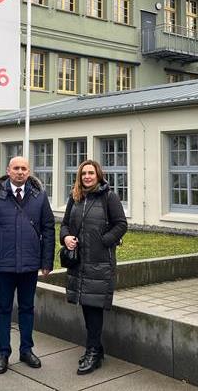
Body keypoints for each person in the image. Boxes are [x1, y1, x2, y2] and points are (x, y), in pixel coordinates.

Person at [0, 156, 55, 374]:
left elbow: (48, 229)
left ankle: (26, 350)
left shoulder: (39, 197)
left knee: (27, 308)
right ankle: (3, 353)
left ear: (29, 172)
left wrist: (47, 261)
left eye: (24, 168)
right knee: (3, 309)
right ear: (8, 171)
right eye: (16, 168)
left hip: (30, 265)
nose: (20, 172)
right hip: (4, 265)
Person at [60, 159, 127, 375]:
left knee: (94, 307)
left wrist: (104, 240)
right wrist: (66, 238)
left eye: (91, 173)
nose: (87, 176)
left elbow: (121, 224)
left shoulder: (109, 197)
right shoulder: (75, 197)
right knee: (86, 307)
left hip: (100, 263)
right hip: (79, 262)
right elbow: (65, 225)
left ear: (98, 175)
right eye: (83, 174)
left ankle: (92, 352)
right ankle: (96, 349)